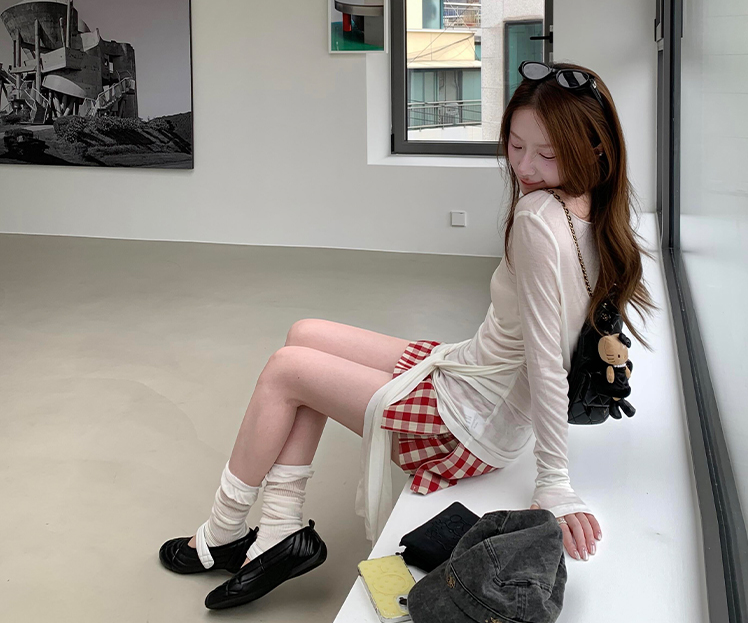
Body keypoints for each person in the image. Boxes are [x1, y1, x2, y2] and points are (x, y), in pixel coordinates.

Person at [159, 61, 656, 610]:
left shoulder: (539, 217)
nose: (525, 166)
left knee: (285, 370)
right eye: (516, 146)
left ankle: (223, 532)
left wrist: (554, 482)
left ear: (593, 149)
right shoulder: (596, 206)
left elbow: (546, 362)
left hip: (467, 423)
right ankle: (279, 529)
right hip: (473, 371)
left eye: (548, 154)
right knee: (304, 333)